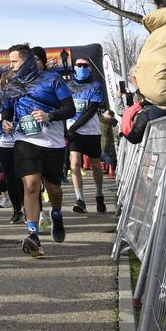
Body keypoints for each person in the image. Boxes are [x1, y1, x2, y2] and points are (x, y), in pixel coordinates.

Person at [1, 43, 75, 258]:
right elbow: (7, 111)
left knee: (53, 189)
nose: (11, 65)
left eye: (15, 61)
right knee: (31, 185)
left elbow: (70, 108)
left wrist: (49, 116)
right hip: (25, 140)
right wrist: (6, 122)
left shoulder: (53, 80)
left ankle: (57, 214)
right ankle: (33, 235)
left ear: (27, 61)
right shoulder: (11, 86)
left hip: (52, 142)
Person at [63, 56, 108, 214]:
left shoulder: (95, 86)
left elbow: (91, 110)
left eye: (85, 65)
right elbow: (65, 107)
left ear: (89, 68)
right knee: (74, 164)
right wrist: (67, 129)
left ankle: (99, 195)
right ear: (74, 67)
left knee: (95, 164)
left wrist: (74, 127)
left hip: (91, 131)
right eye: (79, 65)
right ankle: (80, 200)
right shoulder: (68, 86)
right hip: (74, 132)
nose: (81, 67)